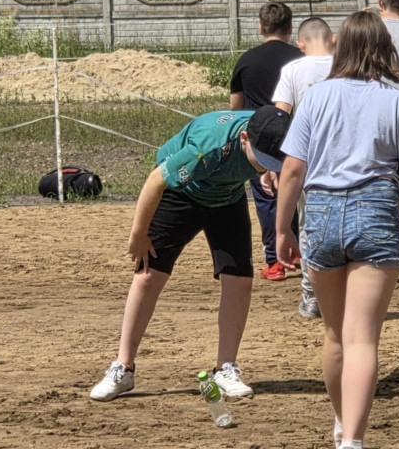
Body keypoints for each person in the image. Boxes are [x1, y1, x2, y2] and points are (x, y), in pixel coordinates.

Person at [273, 11, 399, 449]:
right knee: (363, 337)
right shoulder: (398, 101)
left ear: (340, 46)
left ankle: (342, 423)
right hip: (375, 210)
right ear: (384, 48)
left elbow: (292, 170)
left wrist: (282, 231)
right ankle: (354, 440)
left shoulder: (315, 97)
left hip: (322, 213)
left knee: (334, 334)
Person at [88, 106, 292, 402]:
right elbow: (155, 181)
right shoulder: (209, 147)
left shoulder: (276, 131)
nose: (265, 167)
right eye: (262, 160)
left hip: (227, 199)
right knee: (148, 275)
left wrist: (271, 171)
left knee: (239, 281)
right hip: (182, 194)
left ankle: (225, 369)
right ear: (244, 137)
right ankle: (123, 367)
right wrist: (139, 234)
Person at [230, 1, 303, 281]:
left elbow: (234, 106)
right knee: (294, 195)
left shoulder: (246, 60)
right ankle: (295, 250)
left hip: (259, 140)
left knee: (265, 198)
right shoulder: (300, 59)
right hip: (294, 136)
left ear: (261, 28)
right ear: (289, 28)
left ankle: (274, 259)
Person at [272, 16, 336, 318]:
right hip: (343, 157)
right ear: (332, 38)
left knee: (309, 225)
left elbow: (279, 119)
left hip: (306, 159)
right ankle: (340, 290)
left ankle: (312, 294)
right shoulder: (346, 66)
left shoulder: (292, 70)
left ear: (300, 44)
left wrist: (274, 164)